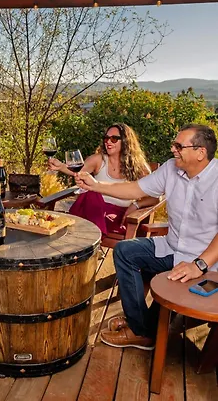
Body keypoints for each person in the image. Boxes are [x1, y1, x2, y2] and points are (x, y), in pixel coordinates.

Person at [75, 123, 218, 350]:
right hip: (171, 248)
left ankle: (141, 329)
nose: (173, 149)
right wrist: (96, 185)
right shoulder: (171, 168)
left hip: (205, 261)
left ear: (200, 152)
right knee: (125, 251)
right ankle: (141, 328)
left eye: (179, 146)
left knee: (172, 294)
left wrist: (199, 265)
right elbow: (135, 189)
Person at [48, 123, 158, 236]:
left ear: (126, 141)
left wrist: (136, 205)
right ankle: (93, 239)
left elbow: (155, 197)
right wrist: (61, 166)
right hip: (92, 210)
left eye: (114, 139)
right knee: (91, 193)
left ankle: (90, 239)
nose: (108, 142)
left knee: (90, 195)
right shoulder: (99, 160)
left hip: (118, 217)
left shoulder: (139, 167)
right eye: (106, 138)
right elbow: (78, 171)